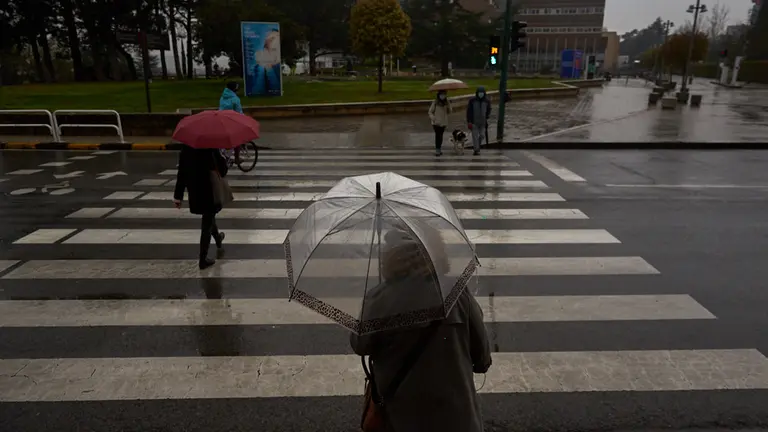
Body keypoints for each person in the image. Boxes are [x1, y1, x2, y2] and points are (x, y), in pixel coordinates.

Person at [351, 231, 492, 432]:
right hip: (457, 421)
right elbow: (482, 357)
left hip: (401, 420)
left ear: (390, 258)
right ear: (435, 253)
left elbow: (360, 345)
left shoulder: (380, 299)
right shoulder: (457, 292)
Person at [173, 145, 228, 270]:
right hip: (209, 189)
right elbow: (223, 170)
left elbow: (182, 172)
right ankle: (203, 259)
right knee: (207, 224)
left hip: (194, 189)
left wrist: (178, 195)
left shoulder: (186, 147)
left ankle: (218, 238)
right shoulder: (211, 146)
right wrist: (223, 158)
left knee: (209, 217)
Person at [466, 87, 491, 156]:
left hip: (483, 123)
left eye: (482, 93)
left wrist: (487, 116)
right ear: (477, 93)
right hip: (474, 122)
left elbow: (489, 109)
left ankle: (478, 146)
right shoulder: (472, 101)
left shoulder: (487, 101)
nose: (481, 94)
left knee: (482, 135)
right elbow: (469, 111)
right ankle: (476, 150)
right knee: (475, 137)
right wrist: (469, 121)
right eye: (479, 93)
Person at [428, 90, 451, 156]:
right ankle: (437, 150)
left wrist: (448, 105)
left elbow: (450, 111)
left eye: (444, 94)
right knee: (438, 136)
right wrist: (433, 118)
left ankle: (439, 148)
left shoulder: (446, 102)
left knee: (441, 136)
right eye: (441, 94)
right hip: (436, 123)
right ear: (439, 95)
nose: (443, 96)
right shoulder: (435, 102)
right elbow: (430, 112)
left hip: (443, 123)